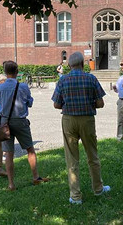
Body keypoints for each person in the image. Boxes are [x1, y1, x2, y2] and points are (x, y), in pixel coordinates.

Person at [52, 52, 111, 205]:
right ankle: (98, 188)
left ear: (69, 65)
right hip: (87, 120)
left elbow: (56, 104)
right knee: (92, 155)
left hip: (69, 120)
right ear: (83, 64)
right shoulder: (91, 78)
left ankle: (76, 196)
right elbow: (101, 103)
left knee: (72, 158)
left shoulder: (63, 80)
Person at [0, 60, 49, 191]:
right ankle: (36, 177)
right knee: (30, 149)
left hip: (4, 122)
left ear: (5, 72)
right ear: (17, 71)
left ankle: (11, 184)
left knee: (8, 153)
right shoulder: (23, 86)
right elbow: (29, 103)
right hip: (20, 120)